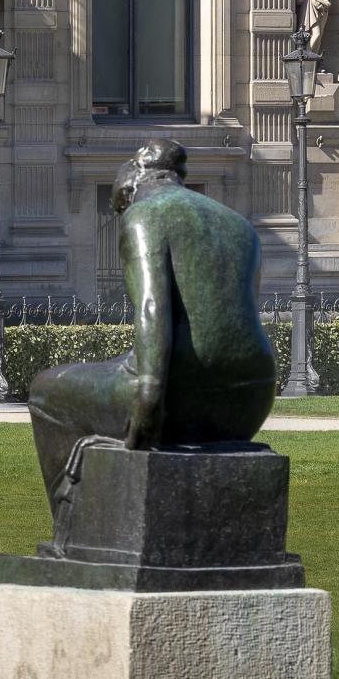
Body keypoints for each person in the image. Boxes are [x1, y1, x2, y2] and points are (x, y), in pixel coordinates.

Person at [25, 140, 277, 542]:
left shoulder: (143, 215)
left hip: (180, 396)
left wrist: (149, 394)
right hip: (249, 401)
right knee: (107, 370)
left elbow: (151, 308)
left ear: (136, 176)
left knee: (45, 390)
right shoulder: (237, 225)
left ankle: (72, 535)